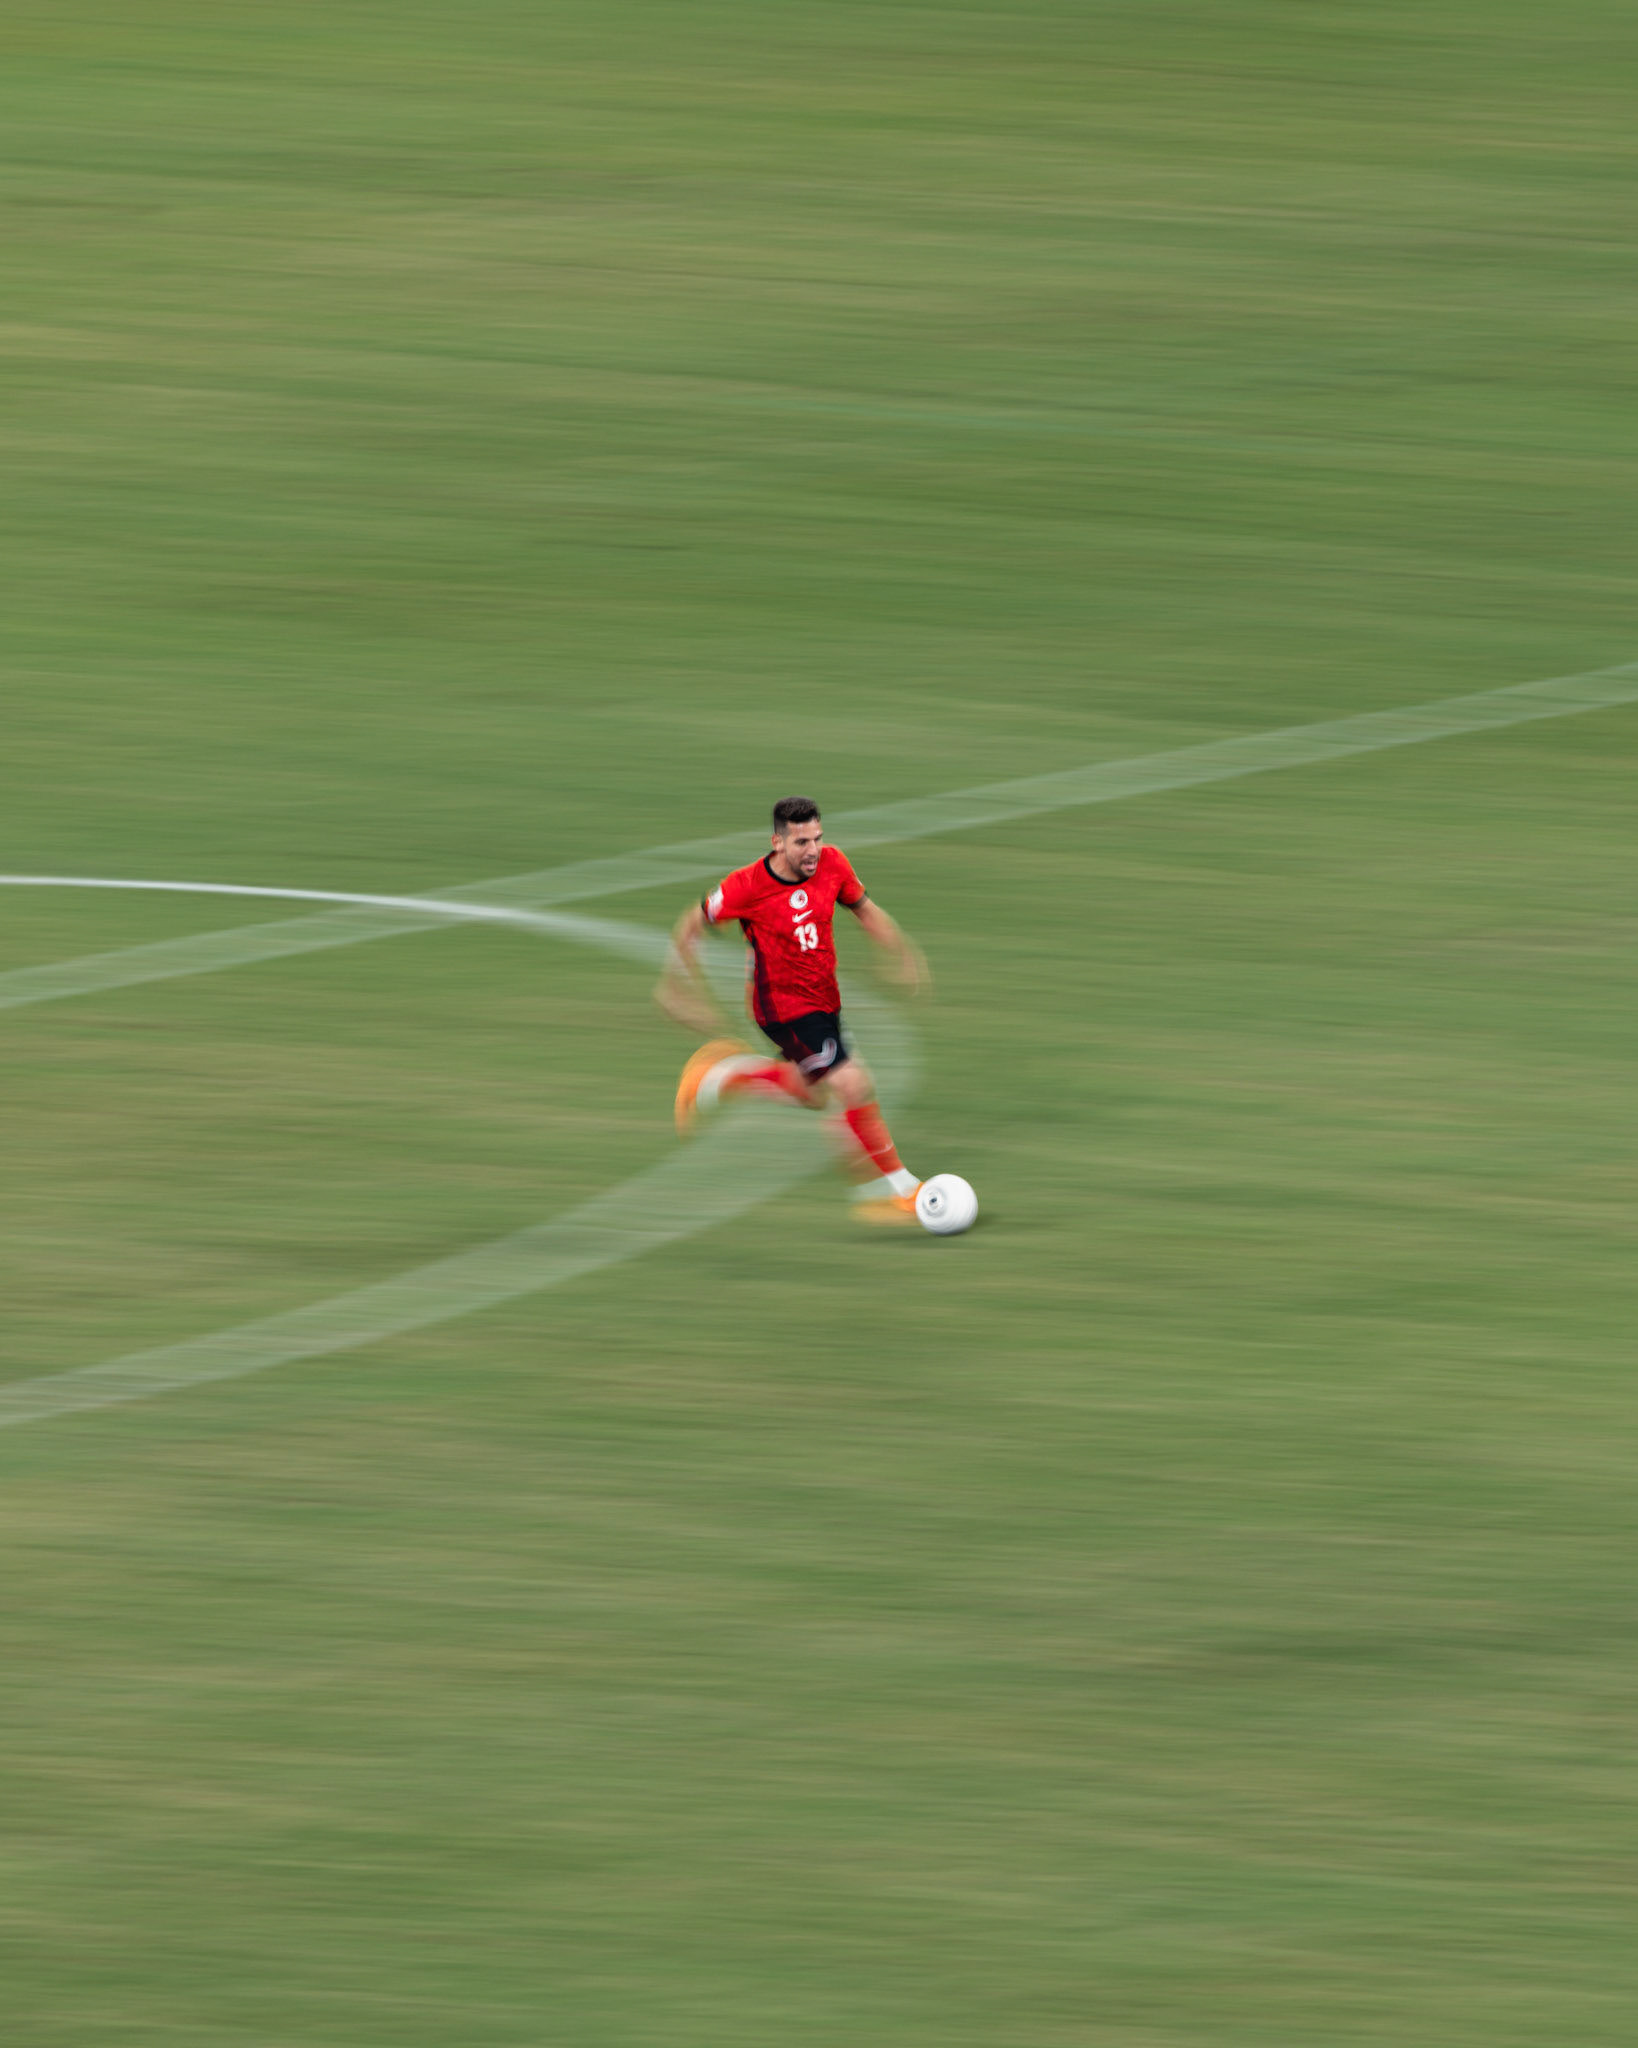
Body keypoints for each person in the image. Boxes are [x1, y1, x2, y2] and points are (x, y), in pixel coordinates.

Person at [656, 795, 928, 1222]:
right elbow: (693, 921)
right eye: (802, 842)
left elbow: (865, 910)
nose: (813, 851)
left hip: (824, 1000)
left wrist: (900, 951)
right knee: (853, 1085)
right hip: (783, 1009)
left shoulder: (833, 864)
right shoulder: (746, 886)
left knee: (814, 1095)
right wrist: (674, 984)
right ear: (777, 842)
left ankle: (729, 1072)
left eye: (817, 839)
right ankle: (903, 1189)